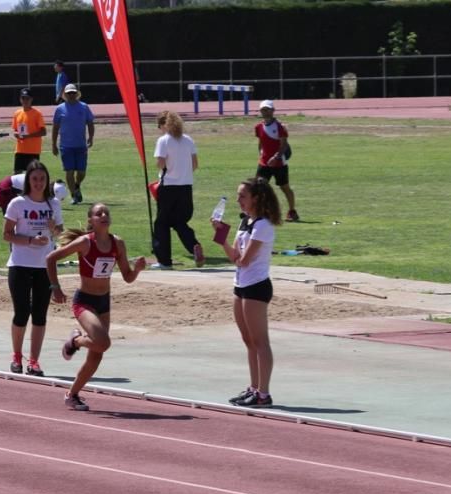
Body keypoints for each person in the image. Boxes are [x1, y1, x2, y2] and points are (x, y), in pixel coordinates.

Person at [46, 203, 146, 411]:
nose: (103, 215)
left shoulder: (117, 243)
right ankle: (75, 340)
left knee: (97, 353)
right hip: (84, 302)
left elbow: (127, 277)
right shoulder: (85, 243)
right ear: (91, 220)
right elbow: (51, 258)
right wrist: (55, 287)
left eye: (106, 213)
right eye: (98, 213)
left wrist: (137, 270)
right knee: (103, 342)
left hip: (104, 302)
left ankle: (72, 394)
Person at [213, 176, 282, 408]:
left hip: (256, 286)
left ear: (256, 198)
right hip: (241, 285)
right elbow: (234, 257)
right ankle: (253, 388)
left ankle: (264, 393)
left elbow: (245, 260)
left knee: (260, 341)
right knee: (248, 340)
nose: (238, 200)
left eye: (243, 196)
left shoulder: (263, 225)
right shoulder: (246, 222)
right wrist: (221, 237)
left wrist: (224, 239)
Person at [3, 160, 64, 377]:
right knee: (22, 312)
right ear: (28, 180)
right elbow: (7, 234)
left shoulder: (53, 204)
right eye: (35, 179)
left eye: (42, 179)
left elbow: (60, 234)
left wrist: (53, 228)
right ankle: (17, 356)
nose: (38, 183)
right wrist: (29, 240)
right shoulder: (17, 204)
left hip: (43, 266)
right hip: (20, 264)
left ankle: (35, 361)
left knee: (40, 314)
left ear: (47, 181)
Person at [151, 110, 203, 269]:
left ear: (163, 125)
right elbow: (195, 164)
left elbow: (160, 163)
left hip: (168, 187)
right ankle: (193, 245)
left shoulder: (163, 141)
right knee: (179, 221)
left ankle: (164, 260)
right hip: (186, 187)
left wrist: (167, 169)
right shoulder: (188, 140)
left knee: (161, 224)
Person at [254, 99, 298, 222]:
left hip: (279, 163)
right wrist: (261, 156)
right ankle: (262, 212)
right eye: (263, 110)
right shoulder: (258, 127)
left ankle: (292, 211)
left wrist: (276, 157)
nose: (265, 112)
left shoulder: (280, 127)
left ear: (273, 111)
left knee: (284, 187)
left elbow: (283, 145)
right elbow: (260, 143)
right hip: (264, 163)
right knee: (259, 187)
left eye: (267, 109)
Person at [52, 83, 94, 205]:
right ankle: (74, 195)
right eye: (69, 93)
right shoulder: (60, 109)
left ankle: (76, 185)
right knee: (69, 171)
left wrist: (91, 137)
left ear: (77, 94)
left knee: (81, 172)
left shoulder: (84, 107)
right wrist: (53, 144)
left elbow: (90, 123)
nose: (71, 95)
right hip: (66, 146)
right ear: (65, 94)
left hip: (81, 145)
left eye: (73, 93)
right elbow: (55, 127)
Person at [12, 88, 46, 173]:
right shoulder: (17, 113)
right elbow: (15, 130)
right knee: (17, 175)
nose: (25, 100)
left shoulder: (37, 114)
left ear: (31, 99)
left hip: (33, 151)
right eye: (23, 98)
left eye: (27, 98)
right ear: (20, 99)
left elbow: (43, 132)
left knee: (32, 175)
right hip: (20, 150)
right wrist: (16, 134)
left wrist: (28, 136)